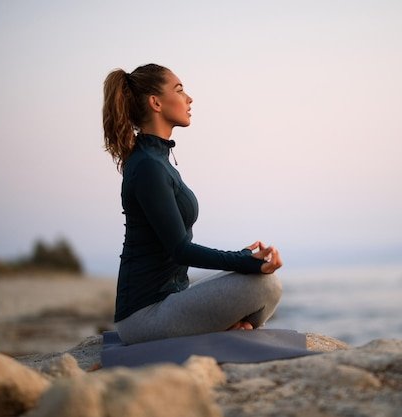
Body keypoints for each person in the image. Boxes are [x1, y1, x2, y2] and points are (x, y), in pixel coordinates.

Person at [102, 63, 283, 344]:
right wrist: (244, 261)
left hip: (170, 299)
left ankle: (228, 329)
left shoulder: (155, 160)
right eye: (179, 90)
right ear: (156, 102)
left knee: (263, 283)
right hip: (144, 316)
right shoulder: (149, 166)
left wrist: (241, 259)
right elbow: (180, 250)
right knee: (265, 285)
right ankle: (227, 331)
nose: (189, 98)